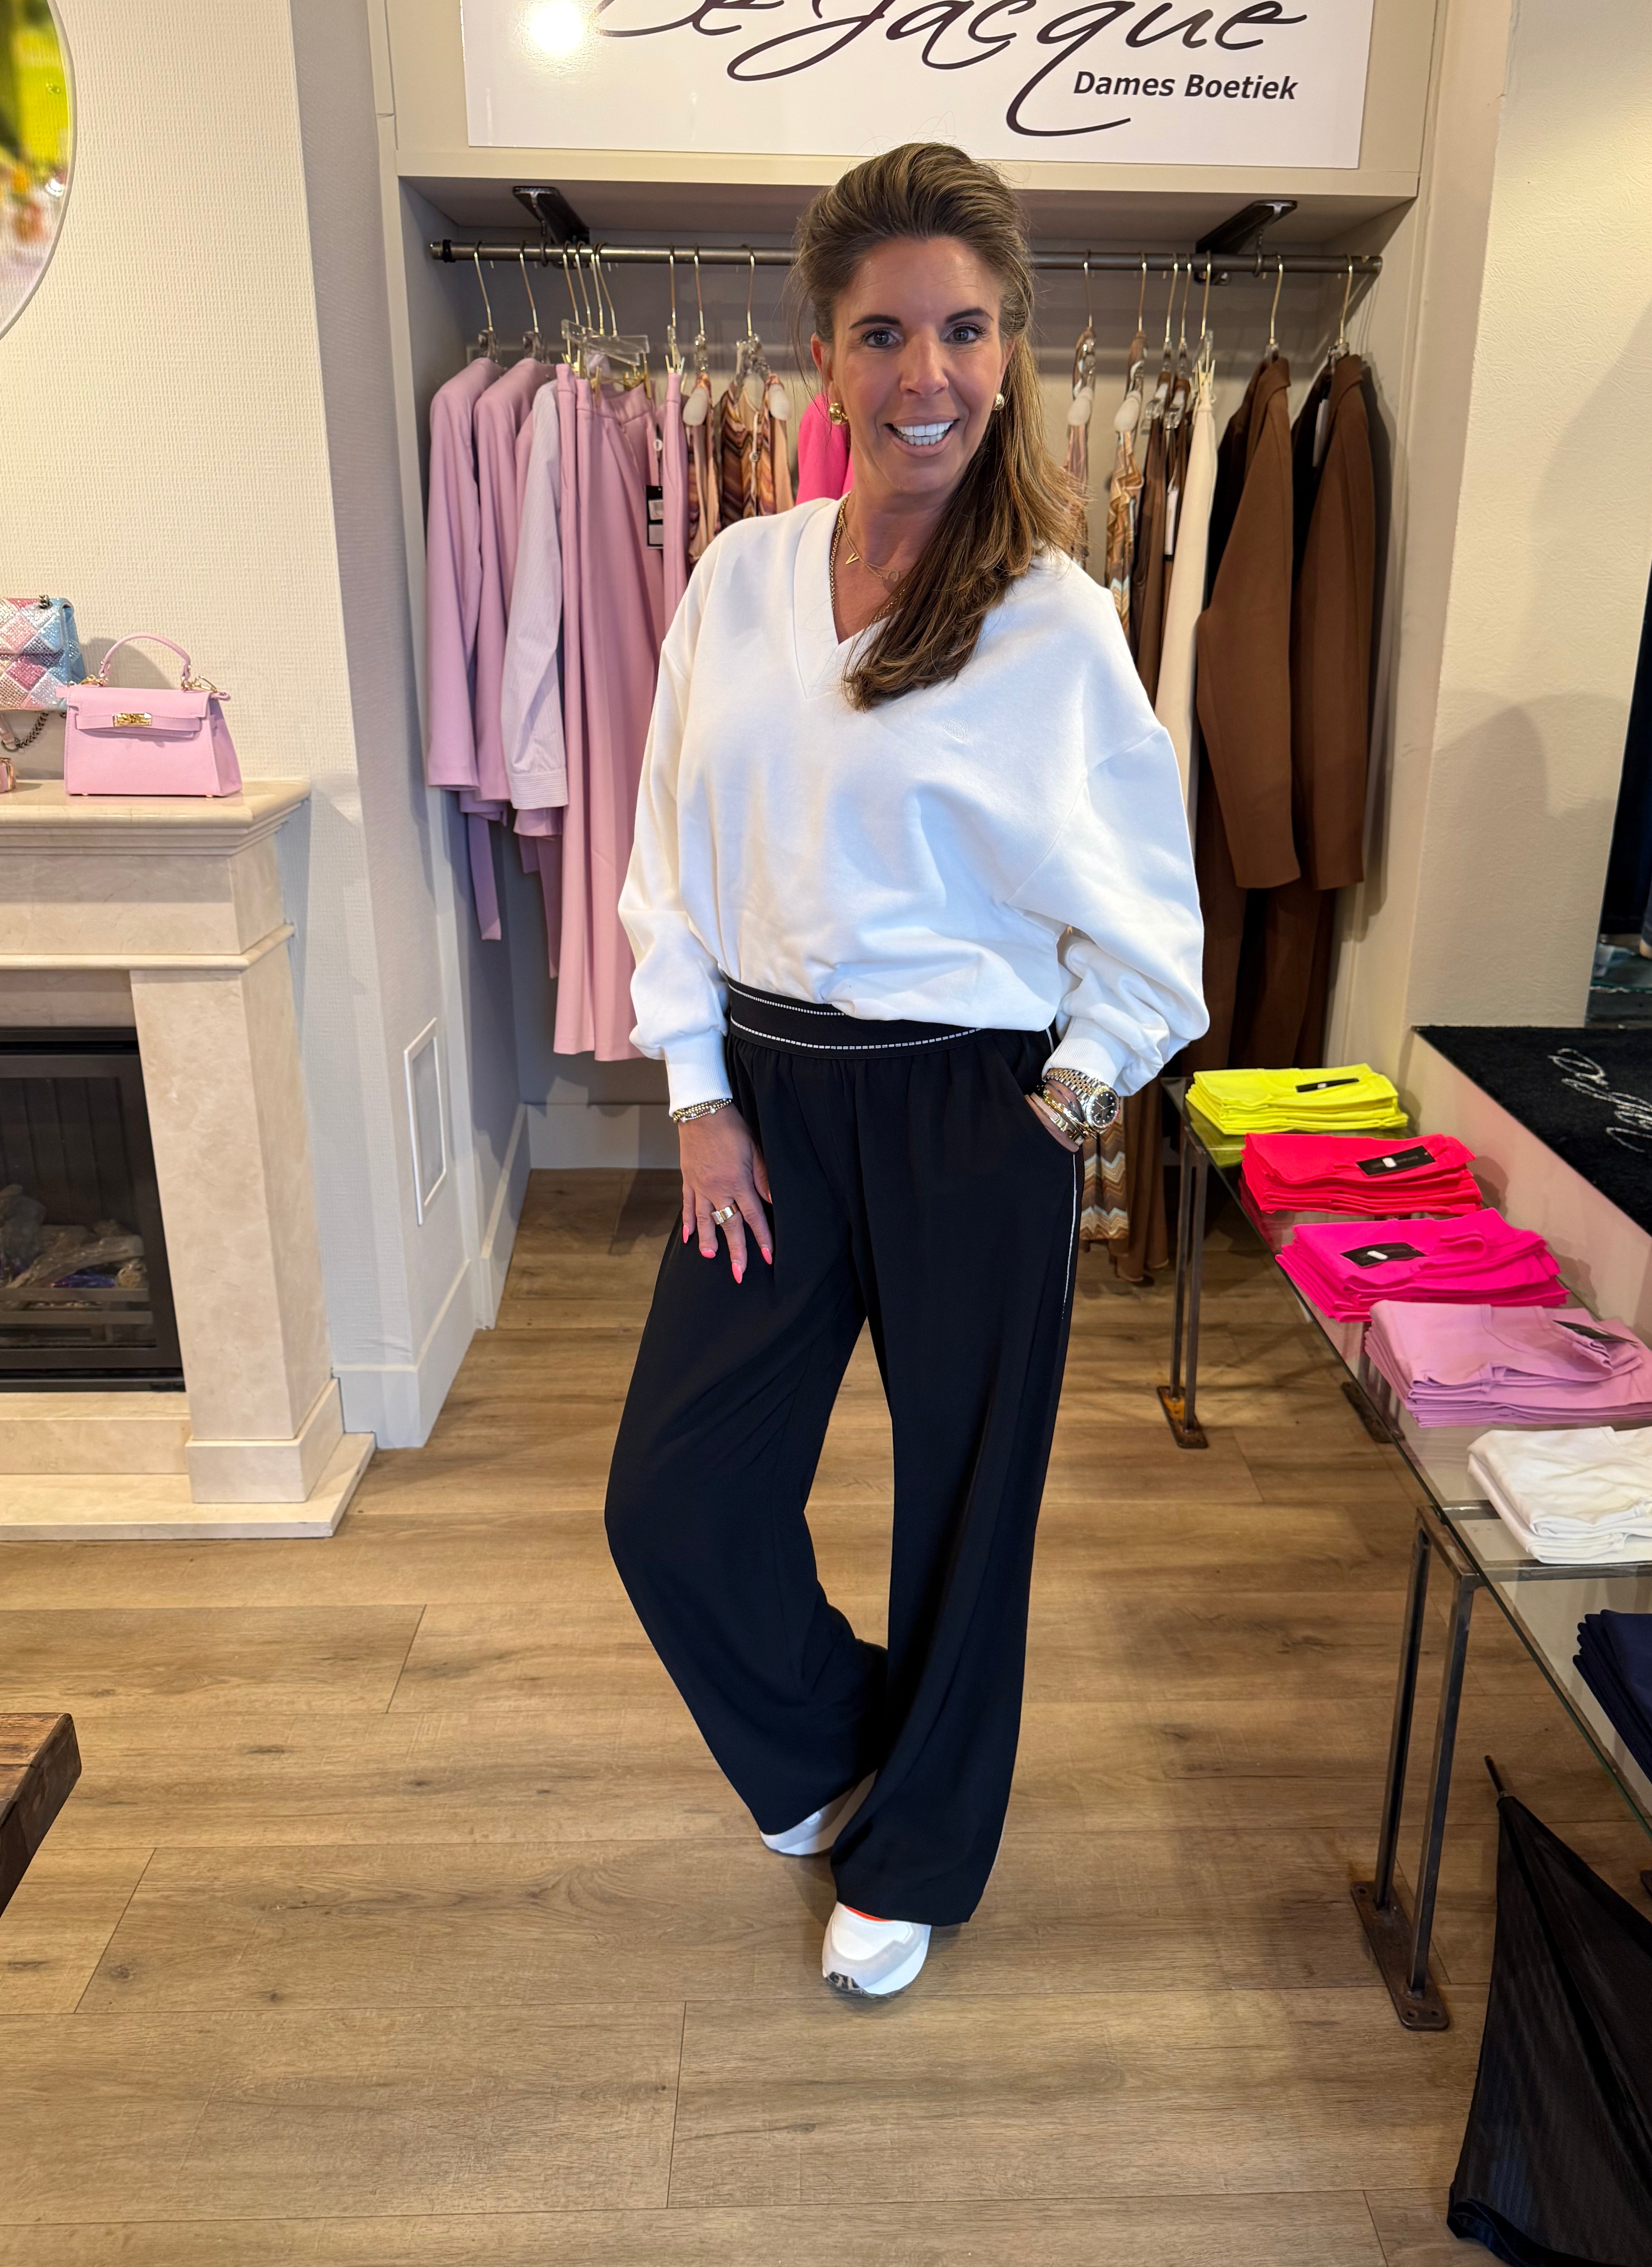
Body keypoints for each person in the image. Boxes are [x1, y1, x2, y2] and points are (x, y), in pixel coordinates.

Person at [607, 142, 1207, 1999]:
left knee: (966, 1505)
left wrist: (1060, 1114)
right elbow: (665, 856)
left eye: (961, 330)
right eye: (882, 334)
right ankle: (834, 1741)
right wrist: (697, 1096)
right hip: (767, 1108)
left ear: (1010, 350)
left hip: (971, 1108)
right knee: (675, 1498)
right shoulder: (740, 577)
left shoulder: (1053, 619)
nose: (923, 373)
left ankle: (925, 1847)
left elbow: (1153, 923)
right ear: (824, 353)